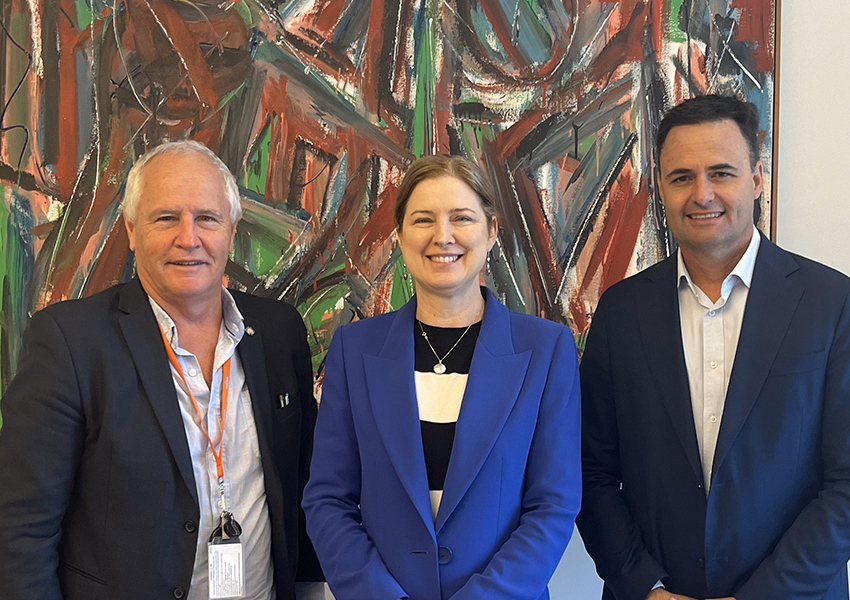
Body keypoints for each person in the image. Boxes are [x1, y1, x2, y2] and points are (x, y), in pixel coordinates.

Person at [0, 141, 323, 600]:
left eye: (207, 218)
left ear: (231, 229)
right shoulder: (71, 343)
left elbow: (303, 490)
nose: (188, 238)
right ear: (131, 229)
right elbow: (20, 531)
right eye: (165, 217)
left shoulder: (277, 333)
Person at [577, 94, 850, 600]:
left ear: (757, 178)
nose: (702, 194)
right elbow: (591, 473)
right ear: (660, 186)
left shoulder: (833, 305)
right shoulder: (620, 313)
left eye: (721, 173)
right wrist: (645, 588)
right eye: (681, 177)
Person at [302, 155, 581, 600]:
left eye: (461, 218)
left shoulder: (546, 351)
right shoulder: (355, 350)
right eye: (423, 220)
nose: (442, 236)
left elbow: (553, 505)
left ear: (491, 231)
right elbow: (327, 500)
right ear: (399, 235)